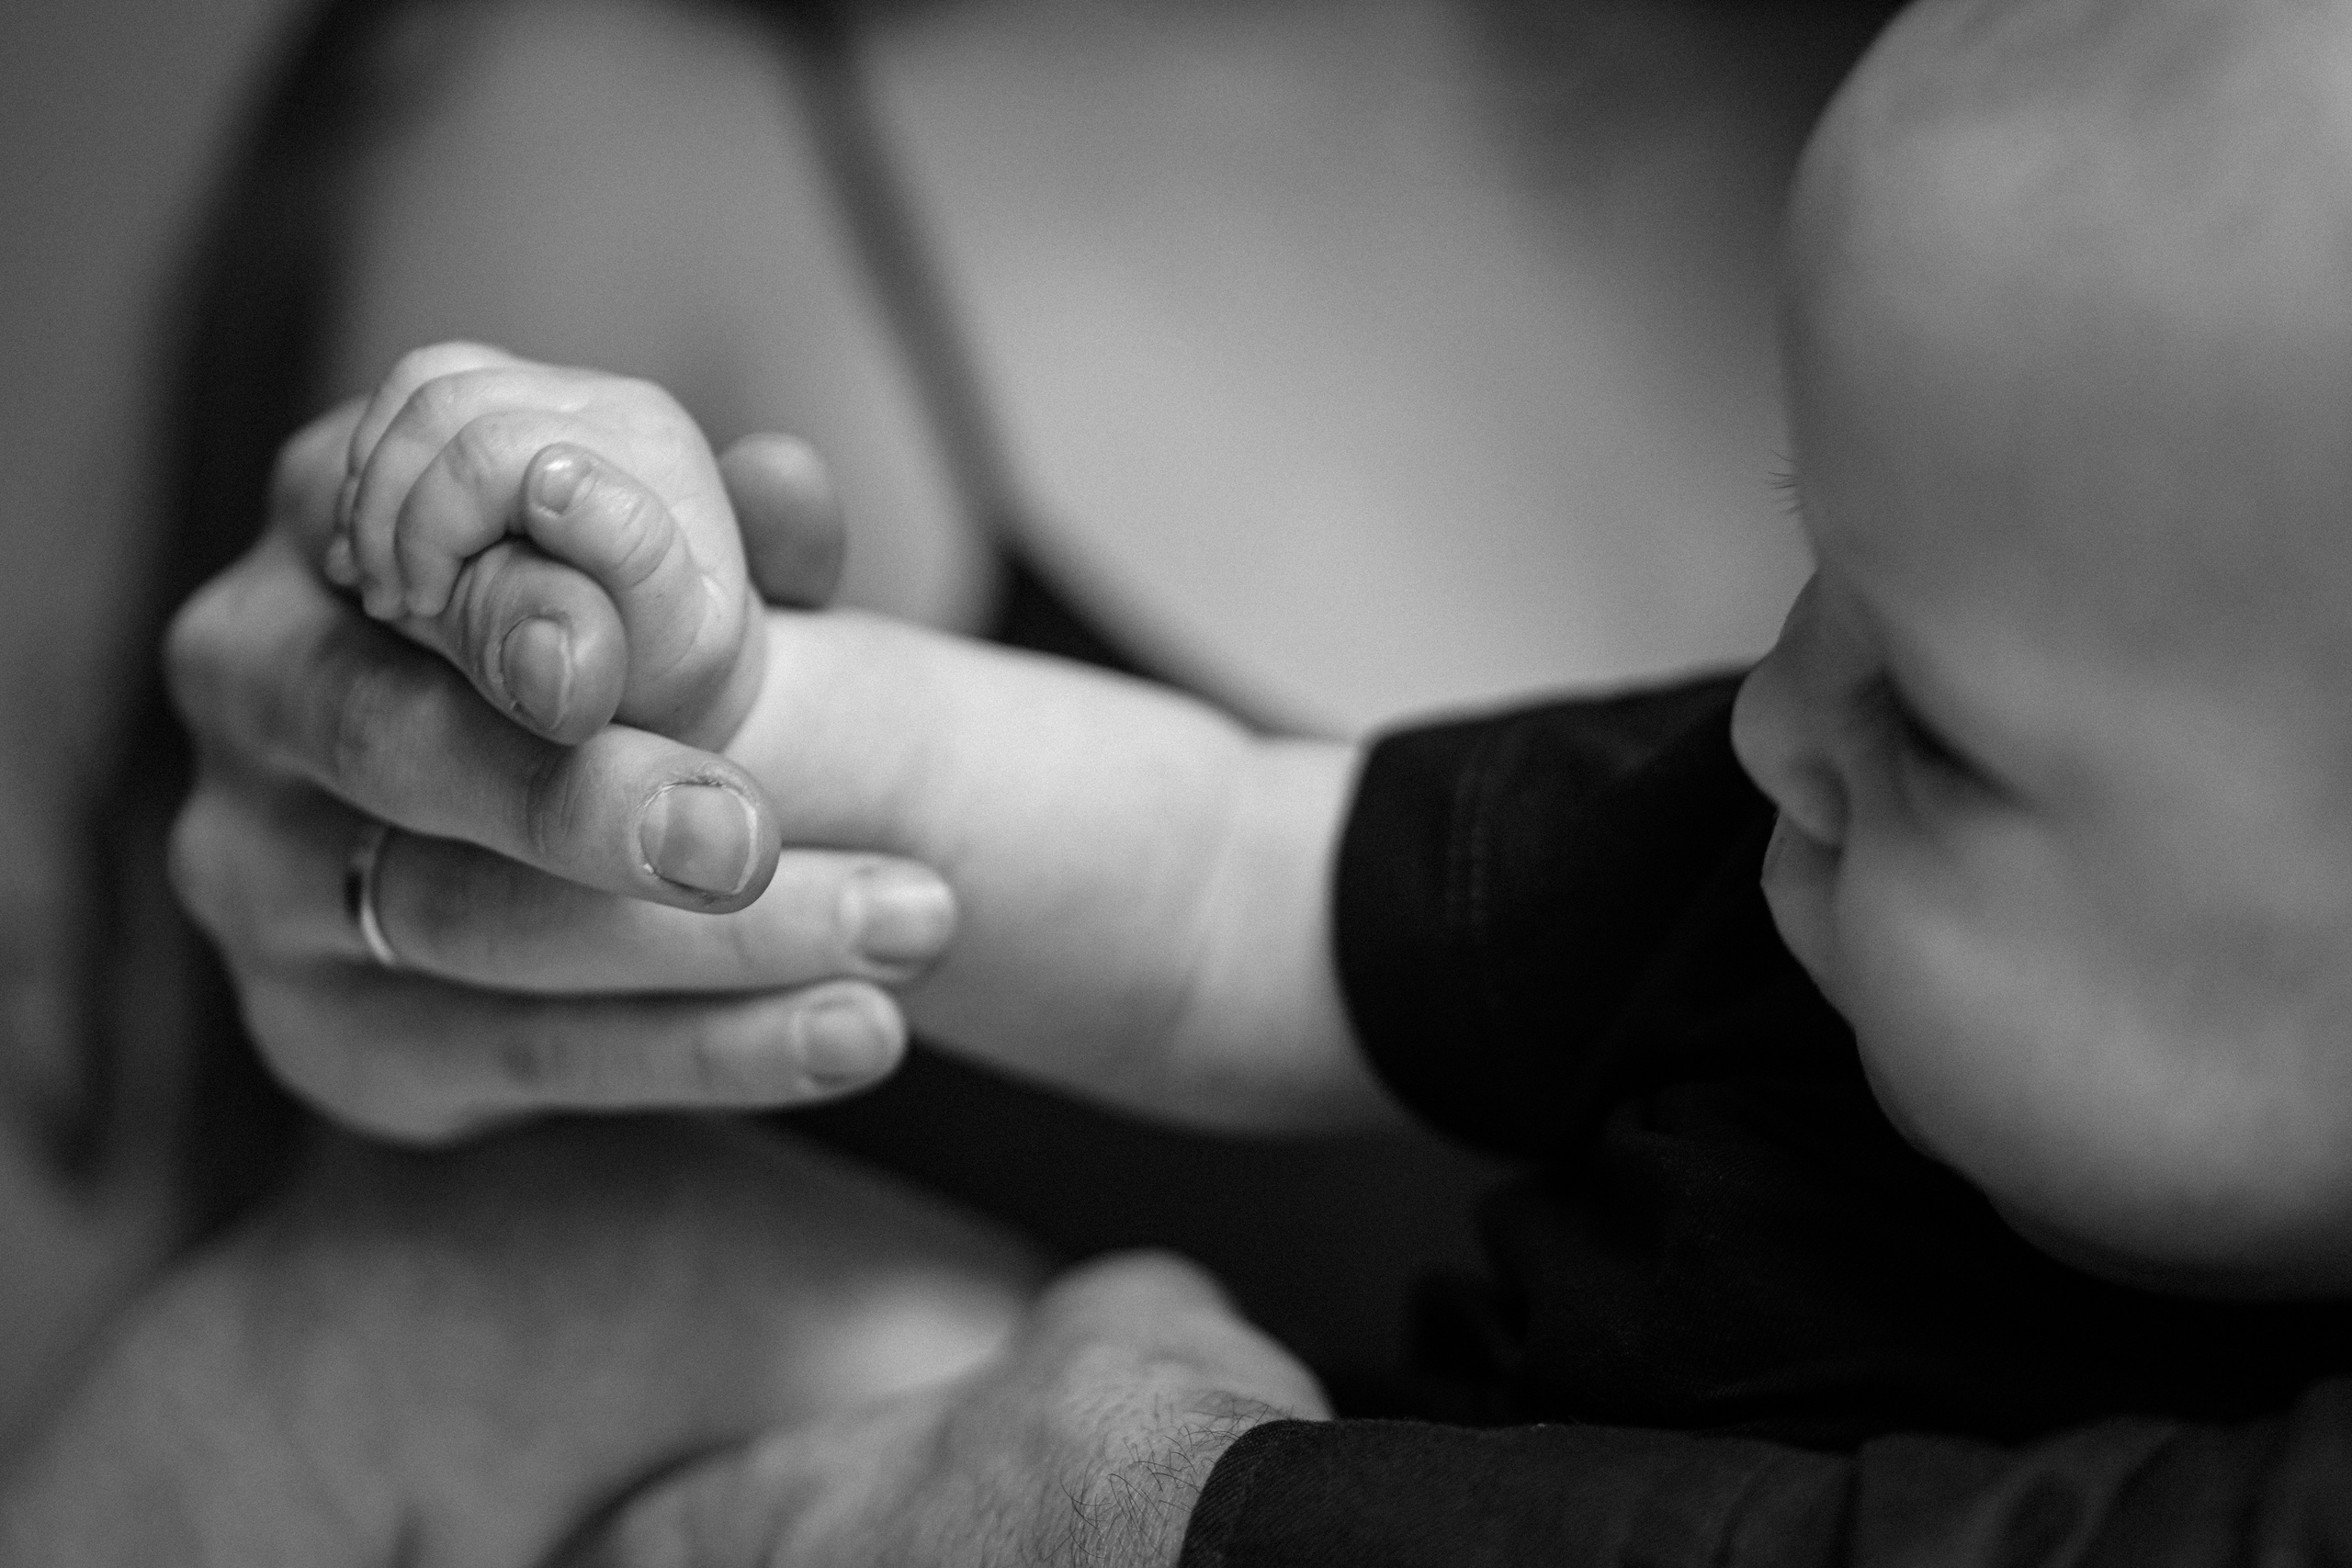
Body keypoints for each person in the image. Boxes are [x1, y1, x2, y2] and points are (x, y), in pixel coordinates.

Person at [164, 0, 2352, 1557]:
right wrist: (711, 689)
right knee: (443, 1308)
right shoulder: (1757, 848)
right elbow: (1224, 869)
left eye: (1938, 733)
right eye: (1816, 568)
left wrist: (1181, 1511)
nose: (1770, 719)